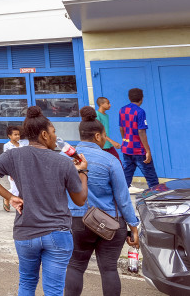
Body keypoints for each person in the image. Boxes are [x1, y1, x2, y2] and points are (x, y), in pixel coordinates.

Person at [0, 106, 88, 296]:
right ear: (44, 134)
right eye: (54, 132)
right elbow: (80, 200)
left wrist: (10, 197)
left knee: (27, 283)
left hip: (26, 232)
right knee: (54, 290)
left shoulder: (14, 155)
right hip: (58, 233)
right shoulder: (63, 162)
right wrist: (83, 171)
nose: (56, 137)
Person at [64, 107, 140, 296]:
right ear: (97, 136)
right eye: (104, 135)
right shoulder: (110, 160)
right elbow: (123, 199)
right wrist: (134, 226)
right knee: (109, 269)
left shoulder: (63, 159)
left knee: (75, 266)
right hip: (110, 223)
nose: (105, 138)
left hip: (75, 222)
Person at [119, 88, 159, 192]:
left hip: (127, 149)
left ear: (129, 98)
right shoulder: (140, 111)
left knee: (126, 177)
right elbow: (141, 132)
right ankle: (156, 198)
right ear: (142, 98)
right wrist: (147, 150)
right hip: (139, 150)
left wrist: (125, 140)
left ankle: (119, 198)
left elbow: (121, 128)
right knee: (151, 178)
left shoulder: (122, 110)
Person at [2, 126, 28, 212]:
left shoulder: (22, 144)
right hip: (13, 170)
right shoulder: (7, 146)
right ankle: (7, 197)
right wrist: (11, 173)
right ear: (9, 136)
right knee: (15, 189)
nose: (17, 136)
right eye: (15, 134)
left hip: (23, 169)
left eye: (18, 134)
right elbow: (7, 160)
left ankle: (10, 198)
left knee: (22, 188)